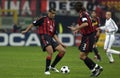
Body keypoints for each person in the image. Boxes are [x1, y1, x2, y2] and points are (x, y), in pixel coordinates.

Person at [22, 8, 66, 75]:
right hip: (44, 37)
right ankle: (46, 70)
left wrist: (61, 43)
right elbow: (33, 24)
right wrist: (26, 30)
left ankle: (52, 66)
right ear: (49, 12)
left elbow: (54, 34)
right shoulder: (43, 19)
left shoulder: (54, 22)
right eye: (52, 13)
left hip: (51, 38)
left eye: (54, 13)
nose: (53, 15)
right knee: (50, 52)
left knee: (62, 51)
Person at [68, 2, 103, 77]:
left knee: (82, 56)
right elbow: (89, 23)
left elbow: (86, 23)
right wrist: (78, 30)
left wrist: (75, 28)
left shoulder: (83, 14)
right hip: (89, 36)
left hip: (88, 37)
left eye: (75, 8)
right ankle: (95, 69)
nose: (75, 9)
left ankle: (96, 67)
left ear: (78, 8)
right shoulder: (85, 13)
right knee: (84, 56)